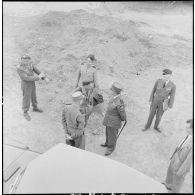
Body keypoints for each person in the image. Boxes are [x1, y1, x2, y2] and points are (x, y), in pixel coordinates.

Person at [162, 119, 193, 193]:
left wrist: (181, 171)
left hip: (180, 166)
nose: (186, 129)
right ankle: (168, 184)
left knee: (177, 182)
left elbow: (188, 161)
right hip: (175, 159)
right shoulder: (189, 135)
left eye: (188, 128)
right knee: (169, 174)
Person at [17, 54, 48, 121]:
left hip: (32, 83)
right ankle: (25, 112)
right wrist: (37, 78)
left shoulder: (30, 64)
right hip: (26, 84)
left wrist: (44, 78)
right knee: (26, 98)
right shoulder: (20, 68)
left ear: (29, 60)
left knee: (34, 96)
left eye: (27, 60)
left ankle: (35, 107)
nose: (26, 62)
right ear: (21, 61)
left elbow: (36, 70)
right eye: (24, 60)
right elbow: (26, 78)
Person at [101, 82, 127, 156]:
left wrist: (124, 119)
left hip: (114, 122)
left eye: (111, 90)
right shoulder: (114, 97)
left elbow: (122, 113)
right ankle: (107, 143)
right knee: (108, 133)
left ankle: (111, 148)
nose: (110, 91)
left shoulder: (119, 101)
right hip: (109, 119)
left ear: (115, 91)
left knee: (112, 135)